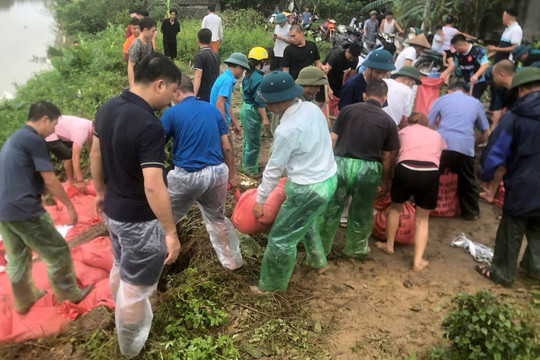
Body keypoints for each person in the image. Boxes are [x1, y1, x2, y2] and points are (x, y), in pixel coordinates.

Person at [90, 53, 181, 357]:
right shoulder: (148, 125)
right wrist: (170, 231)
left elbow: (95, 155)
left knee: (120, 265)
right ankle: (129, 348)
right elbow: (153, 184)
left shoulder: (107, 108)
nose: (171, 100)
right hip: (139, 221)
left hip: (114, 212)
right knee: (134, 286)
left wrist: (100, 191)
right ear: (159, 85)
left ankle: (120, 318)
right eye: (171, 91)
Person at [0, 101, 93, 315]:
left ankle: (24, 300)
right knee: (57, 250)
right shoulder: (34, 140)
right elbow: (50, 179)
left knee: (17, 256)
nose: (54, 130)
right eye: (53, 124)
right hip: (24, 210)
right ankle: (70, 294)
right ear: (44, 119)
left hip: (4, 210)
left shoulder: (15, 138)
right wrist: (70, 207)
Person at [251, 71, 337, 293]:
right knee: (305, 221)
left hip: (307, 188)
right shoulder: (312, 109)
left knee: (280, 238)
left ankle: (270, 287)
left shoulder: (286, 130)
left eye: (268, 102)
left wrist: (261, 199)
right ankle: (318, 261)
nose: (267, 106)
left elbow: (273, 169)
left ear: (278, 101)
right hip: (327, 179)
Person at [161, 75, 243, 270]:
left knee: (164, 219)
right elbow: (227, 148)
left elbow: (156, 145)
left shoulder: (172, 113)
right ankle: (230, 262)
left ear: (176, 92)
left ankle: (158, 264)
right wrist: (232, 175)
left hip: (186, 176)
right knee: (217, 219)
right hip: (216, 174)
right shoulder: (213, 111)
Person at [320, 79, 399, 258]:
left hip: (341, 164)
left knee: (332, 208)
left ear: (364, 95)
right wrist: (386, 180)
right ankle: (355, 250)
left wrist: (326, 165)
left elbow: (332, 138)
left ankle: (321, 249)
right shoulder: (388, 121)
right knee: (362, 212)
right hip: (368, 170)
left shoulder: (347, 111)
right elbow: (388, 156)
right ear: (385, 98)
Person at [476, 67, 540, 286]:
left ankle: (502, 273)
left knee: (512, 227)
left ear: (521, 90)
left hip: (524, 182)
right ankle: (534, 268)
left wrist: (484, 174)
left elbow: (496, 150)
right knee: (538, 228)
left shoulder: (514, 116)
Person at [375, 112, 447, 271]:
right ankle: (418, 260)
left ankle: (389, 245)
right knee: (422, 219)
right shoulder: (436, 135)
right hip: (430, 171)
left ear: (409, 123)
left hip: (406, 168)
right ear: (426, 125)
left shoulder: (403, 132)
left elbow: (392, 156)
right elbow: (438, 158)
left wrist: (389, 177)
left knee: (395, 208)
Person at [427, 81, 490, 220]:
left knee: (433, 176)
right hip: (465, 146)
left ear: (449, 90)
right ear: (466, 92)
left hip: (443, 144)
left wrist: (435, 137)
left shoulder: (442, 99)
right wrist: (474, 142)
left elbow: (428, 123)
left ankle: (427, 207)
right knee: (467, 179)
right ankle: (471, 213)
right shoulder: (475, 102)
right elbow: (486, 131)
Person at [487, 9, 523, 131]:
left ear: (507, 15)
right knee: (494, 86)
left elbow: (514, 48)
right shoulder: (508, 29)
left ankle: (498, 115)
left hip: (505, 64)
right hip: (498, 62)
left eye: (503, 14)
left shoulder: (516, 29)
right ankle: (493, 111)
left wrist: (496, 49)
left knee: (500, 89)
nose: (502, 17)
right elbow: (503, 46)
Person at [240, 47, 270, 175]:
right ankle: (250, 171)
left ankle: (246, 165)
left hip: (244, 107)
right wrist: (265, 118)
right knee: (254, 143)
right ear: (262, 62)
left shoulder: (248, 73)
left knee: (248, 140)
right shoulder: (259, 78)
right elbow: (259, 101)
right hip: (252, 110)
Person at [45, 115, 94, 190]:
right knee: (68, 155)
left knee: (70, 151)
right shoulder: (81, 132)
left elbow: (91, 147)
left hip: (61, 130)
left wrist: (93, 162)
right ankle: (71, 181)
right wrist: (81, 180)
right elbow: (75, 157)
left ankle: (74, 179)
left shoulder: (91, 125)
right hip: (49, 132)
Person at [282, 24, 326, 107]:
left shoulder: (312, 46)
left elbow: (318, 63)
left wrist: (322, 67)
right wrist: (288, 86)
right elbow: (285, 70)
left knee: (307, 105)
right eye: (290, 36)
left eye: (294, 36)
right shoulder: (288, 50)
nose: (292, 39)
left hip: (310, 84)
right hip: (295, 84)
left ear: (301, 33)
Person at [210, 52, 250, 139]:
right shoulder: (227, 80)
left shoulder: (226, 77)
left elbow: (226, 106)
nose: (242, 72)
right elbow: (219, 104)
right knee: (228, 150)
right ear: (239, 67)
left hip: (217, 122)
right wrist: (223, 129)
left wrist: (235, 124)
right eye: (243, 70)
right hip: (219, 124)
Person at [440, 34, 489, 100]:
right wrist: (444, 73)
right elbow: (454, 64)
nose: (455, 50)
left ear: (460, 45)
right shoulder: (458, 54)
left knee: (472, 100)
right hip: (467, 81)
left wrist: (476, 76)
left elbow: (485, 64)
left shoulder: (477, 50)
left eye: (455, 48)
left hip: (478, 81)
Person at [324, 43, 361, 116]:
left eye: (353, 58)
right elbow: (325, 72)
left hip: (339, 75)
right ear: (347, 51)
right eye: (350, 58)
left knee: (337, 97)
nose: (351, 60)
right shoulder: (337, 54)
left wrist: (347, 86)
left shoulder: (355, 59)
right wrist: (328, 88)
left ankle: (332, 117)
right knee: (323, 100)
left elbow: (352, 76)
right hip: (326, 74)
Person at [127, 17, 156, 88]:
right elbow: (130, 65)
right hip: (139, 80)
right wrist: (132, 85)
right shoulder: (136, 45)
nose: (154, 34)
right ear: (145, 30)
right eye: (153, 31)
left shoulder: (149, 42)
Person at [193, 28, 220, 102]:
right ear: (211, 40)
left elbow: (198, 76)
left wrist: (194, 95)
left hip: (203, 93)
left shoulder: (199, 56)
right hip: (214, 91)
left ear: (198, 39)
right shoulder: (216, 55)